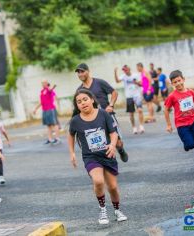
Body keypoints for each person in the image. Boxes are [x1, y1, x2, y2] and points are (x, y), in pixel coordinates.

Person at [68, 89, 127, 225]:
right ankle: (102, 209)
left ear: (92, 100)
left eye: (85, 99)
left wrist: (112, 145)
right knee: (98, 181)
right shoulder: (75, 121)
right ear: (77, 106)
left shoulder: (103, 114)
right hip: (90, 157)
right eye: (79, 102)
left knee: (112, 187)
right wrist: (71, 152)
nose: (82, 103)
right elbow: (70, 135)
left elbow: (113, 133)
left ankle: (117, 210)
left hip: (107, 154)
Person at [75, 63, 128, 162]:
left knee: (118, 143)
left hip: (107, 116)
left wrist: (111, 105)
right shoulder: (80, 90)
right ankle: (106, 163)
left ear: (88, 71)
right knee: (99, 144)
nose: (80, 74)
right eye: (78, 72)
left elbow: (114, 92)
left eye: (82, 71)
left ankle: (120, 150)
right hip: (93, 120)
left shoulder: (99, 82)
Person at [164, 70, 194, 169]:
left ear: (183, 79)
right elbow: (166, 110)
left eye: (179, 80)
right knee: (190, 144)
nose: (178, 83)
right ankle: (187, 145)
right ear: (172, 84)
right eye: (175, 82)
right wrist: (168, 125)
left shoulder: (191, 92)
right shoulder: (172, 96)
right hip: (182, 125)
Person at [114, 65, 145, 134]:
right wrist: (115, 72)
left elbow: (141, 84)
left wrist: (136, 82)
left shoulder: (136, 75)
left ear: (129, 69)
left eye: (126, 69)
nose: (125, 71)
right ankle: (134, 127)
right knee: (131, 113)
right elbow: (117, 81)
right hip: (129, 96)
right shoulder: (123, 76)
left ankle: (141, 126)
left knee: (140, 110)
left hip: (137, 95)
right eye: (124, 70)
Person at [33, 80, 61, 145]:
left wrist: (54, 86)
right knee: (48, 125)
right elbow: (41, 102)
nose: (42, 84)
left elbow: (51, 90)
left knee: (55, 124)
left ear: (46, 83)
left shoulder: (49, 90)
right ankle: (50, 139)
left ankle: (57, 138)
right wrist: (35, 109)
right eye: (42, 83)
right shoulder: (42, 91)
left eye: (43, 83)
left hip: (51, 109)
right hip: (45, 110)